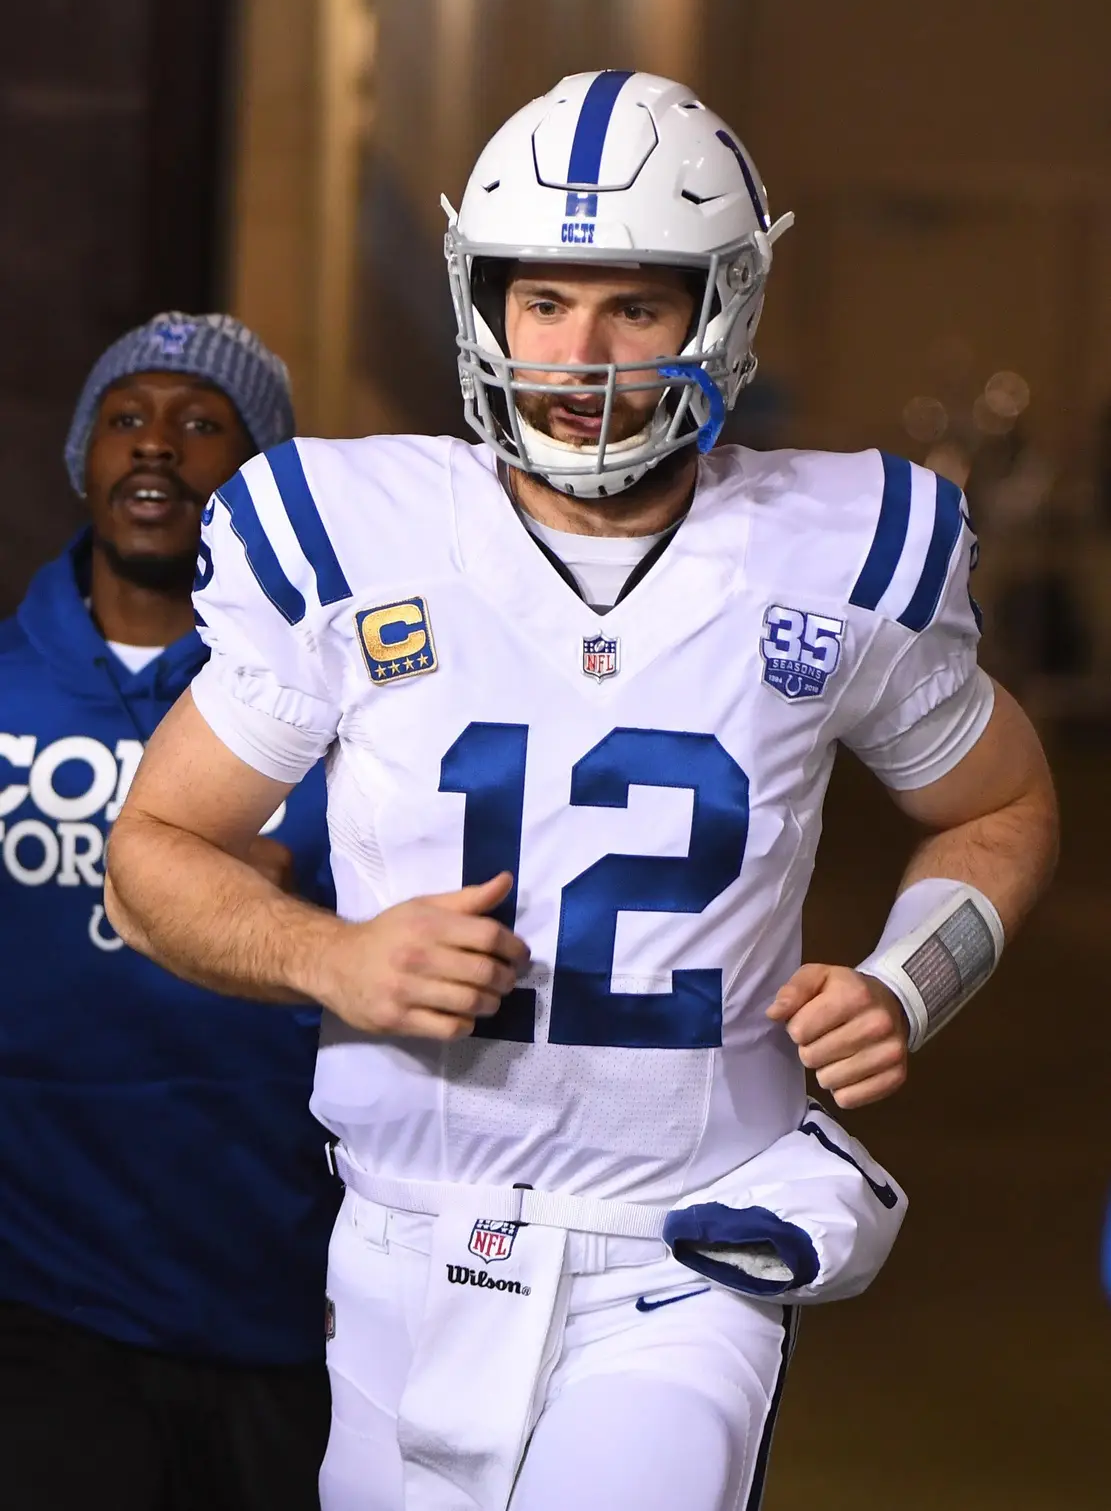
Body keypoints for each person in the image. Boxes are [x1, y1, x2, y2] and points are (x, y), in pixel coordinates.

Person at [105, 75, 1058, 1511]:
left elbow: (1000, 805)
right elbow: (154, 848)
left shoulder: (827, 550)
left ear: (717, 308)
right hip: (401, 1238)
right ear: (479, 298)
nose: (581, 353)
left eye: (635, 306)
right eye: (542, 300)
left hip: (683, 1248)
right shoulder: (356, 534)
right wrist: (334, 954)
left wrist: (907, 979)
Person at [0, 313, 338, 1511]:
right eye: (127, 419)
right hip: (42, 1295)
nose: (158, 449)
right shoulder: (3, 684)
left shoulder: (320, 717)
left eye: (203, 426)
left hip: (273, 1285)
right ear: (85, 456)